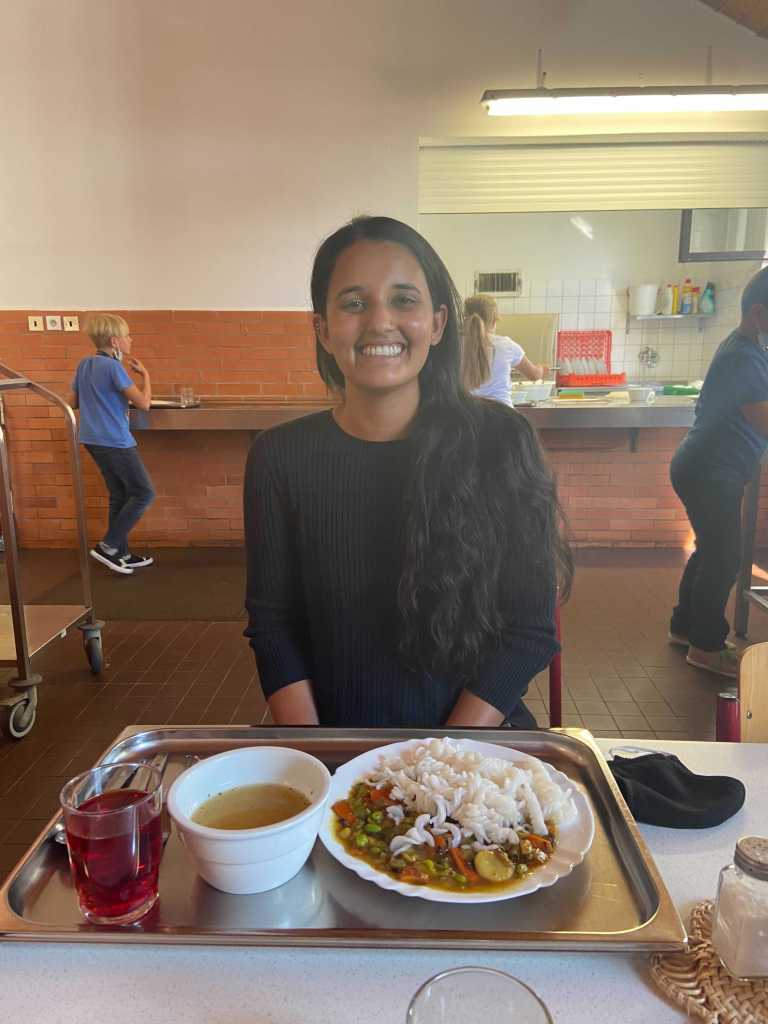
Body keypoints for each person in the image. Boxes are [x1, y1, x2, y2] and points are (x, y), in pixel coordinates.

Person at [244, 216, 571, 727]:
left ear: (437, 323)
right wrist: (314, 751)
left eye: (403, 300)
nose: (379, 322)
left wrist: (438, 757)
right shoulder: (278, 456)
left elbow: (529, 630)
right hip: (330, 742)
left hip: (471, 751)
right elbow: (273, 623)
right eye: (354, 303)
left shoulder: (501, 441)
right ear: (323, 330)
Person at [669, 266, 768, 678]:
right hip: (711, 471)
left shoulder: (747, 350)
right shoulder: (742, 357)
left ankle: (685, 626)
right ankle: (706, 647)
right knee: (724, 556)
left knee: (711, 549)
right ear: (759, 314)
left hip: (703, 465)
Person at [69, 313, 155, 575]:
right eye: (127, 336)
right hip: (114, 440)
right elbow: (144, 403)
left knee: (120, 495)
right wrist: (146, 376)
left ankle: (121, 554)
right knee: (144, 493)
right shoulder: (113, 367)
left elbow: (73, 402)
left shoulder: (84, 364)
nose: (131, 340)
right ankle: (108, 546)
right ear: (115, 341)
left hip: (91, 438)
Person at [462, 293, 548, 405]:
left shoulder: (453, 346)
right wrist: (542, 369)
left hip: (467, 413)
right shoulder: (507, 346)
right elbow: (534, 375)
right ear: (494, 321)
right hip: (502, 412)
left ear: (465, 319)